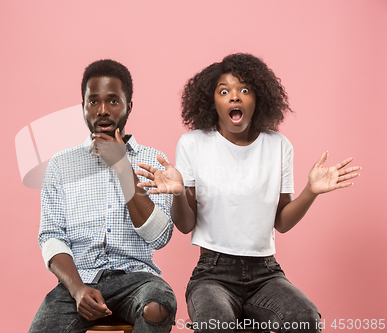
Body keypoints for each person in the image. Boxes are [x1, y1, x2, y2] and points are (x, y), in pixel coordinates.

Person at [136, 53, 361, 333]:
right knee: (216, 325)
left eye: (244, 90)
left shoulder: (279, 146)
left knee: (305, 319)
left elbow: (282, 221)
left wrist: (311, 191)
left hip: (265, 273)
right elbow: (185, 225)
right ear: (212, 101)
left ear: (259, 98)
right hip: (212, 273)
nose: (235, 97)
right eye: (224, 91)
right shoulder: (193, 144)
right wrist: (179, 193)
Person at [28, 59, 177, 333]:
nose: (103, 111)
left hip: (137, 280)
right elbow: (50, 236)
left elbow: (159, 236)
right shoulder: (62, 164)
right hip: (79, 281)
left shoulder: (152, 160)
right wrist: (77, 289)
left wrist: (123, 166)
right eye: (93, 102)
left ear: (128, 106)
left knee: (160, 305)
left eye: (113, 101)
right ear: (83, 106)